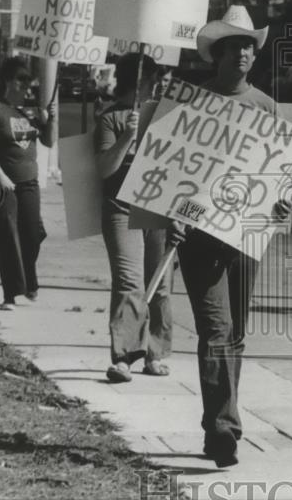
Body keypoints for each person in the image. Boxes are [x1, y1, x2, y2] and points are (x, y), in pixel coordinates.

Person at [166, 5, 276, 468]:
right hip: (199, 238)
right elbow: (167, 168)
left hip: (246, 236)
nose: (244, 55)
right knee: (216, 331)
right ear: (218, 54)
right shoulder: (190, 103)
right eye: (235, 47)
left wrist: (280, 199)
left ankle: (219, 426)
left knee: (235, 334)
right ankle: (224, 429)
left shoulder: (267, 106)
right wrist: (170, 212)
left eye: (249, 47)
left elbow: (275, 173)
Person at [94, 52, 175, 384]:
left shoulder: (164, 117)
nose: (159, 85)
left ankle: (156, 353)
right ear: (140, 80)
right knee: (130, 282)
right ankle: (125, 355)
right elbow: (103, 169)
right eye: (155, 79)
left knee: (161, 285)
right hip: (121, 208)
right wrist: (127, 136)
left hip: (157, 206)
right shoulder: (110, 119)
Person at [0, 57, 56, 310]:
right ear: (8, 81)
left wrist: (50, 119)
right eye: (21, 81)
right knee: (7, 237)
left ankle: (29, 282)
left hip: (29, 183)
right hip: (1, 183)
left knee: (33, 234)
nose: (26, 87)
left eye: (29, 83)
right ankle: (10, 294)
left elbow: (49, 142)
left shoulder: (30, 111)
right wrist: (1, 176)